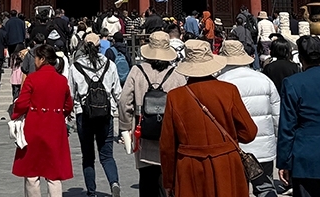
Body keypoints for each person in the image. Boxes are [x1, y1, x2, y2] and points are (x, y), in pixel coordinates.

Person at [160, 39, 258, 197]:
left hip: (190, 166)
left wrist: (169, 181)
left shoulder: (175, 97)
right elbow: (249, 133)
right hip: (226, 163)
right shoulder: (229, 91)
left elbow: (167, 145)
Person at [119, 31, 187, 197]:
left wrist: (126, 126)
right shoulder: (177, 74)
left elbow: (124, 101)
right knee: (169, 183)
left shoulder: (137, 71)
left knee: (147, 181)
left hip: (143, 133)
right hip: (169, 134)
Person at [218, 40, 280, 197]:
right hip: (264, 147)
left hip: (235, 148)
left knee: (237, 189)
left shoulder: (220, 82)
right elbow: (277, 115)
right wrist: (278, 142)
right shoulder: (264, 79)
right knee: (265, 188)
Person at [11, 44, 73, 197]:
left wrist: (16, 115)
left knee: (32, 173)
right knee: (54, 174)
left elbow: (21, 103)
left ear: (43, 59)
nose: (35, 61)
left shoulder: (32, 79)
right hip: (55, 128)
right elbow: (68, 105)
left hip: (34, 127)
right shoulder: (61, 80)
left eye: (36, 58)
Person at [69, 33, 122, 197]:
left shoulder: (75, 66)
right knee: (107, 156)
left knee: (88, 156)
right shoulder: (110, 65)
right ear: (100, 47)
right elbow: (118, 92)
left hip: (84, 114)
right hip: (106, 113)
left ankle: (91, 192)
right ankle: (114, 183)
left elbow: (70, 93)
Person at [277, 35, 320, 196]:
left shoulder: (293, 83)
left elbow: (287, 127)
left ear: (300, 58)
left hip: (305, 157)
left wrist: (284, 162)